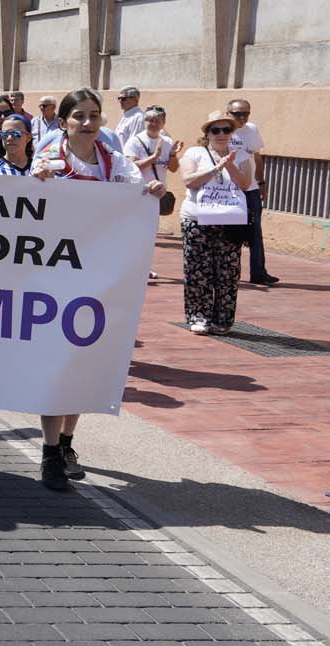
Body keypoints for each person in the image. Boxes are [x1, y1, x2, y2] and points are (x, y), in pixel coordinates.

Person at [30, 87, 164, 491]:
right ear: (65, 122)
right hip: (56, 275)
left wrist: (152, 191)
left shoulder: (114, 162)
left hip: (97, 276)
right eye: (79, 117)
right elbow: (28, 205)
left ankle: (68, 444)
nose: (87, 123)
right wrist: (37, 182)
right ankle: (50, 452)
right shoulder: (49, 159)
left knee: (83, 363)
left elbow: (137, 194)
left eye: (94, 116)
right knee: (57, 365)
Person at [179, 110, 253, 336]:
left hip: (229, 220)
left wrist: (230, 164)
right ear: (207, 133)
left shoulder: (242, 155)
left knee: (227, 272)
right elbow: (189, 181)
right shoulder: (194, 153)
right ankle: (198, 316)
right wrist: (216, 167)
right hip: (196, 219)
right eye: (216, 130)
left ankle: (223, 319)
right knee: (197, 270)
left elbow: (245, 185)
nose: (221, 134)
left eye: (226, 129)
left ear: (232, 132)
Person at [226, 99, 276, 285]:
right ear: (228, 113)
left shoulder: (252, 130)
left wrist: (261, 181)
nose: (242, 118)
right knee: (230, 232)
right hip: (229, 190)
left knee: (255, 230)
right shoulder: (222, 130)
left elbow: (256, 155)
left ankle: (258, 272)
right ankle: (230, 272)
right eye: (237, 113)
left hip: (252, 188)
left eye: (245, 113)